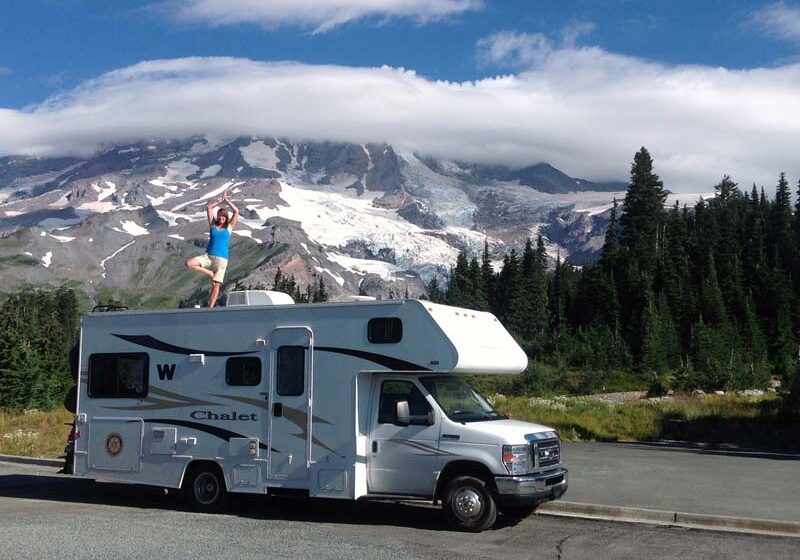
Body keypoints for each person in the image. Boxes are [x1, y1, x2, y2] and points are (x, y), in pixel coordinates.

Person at [185, 190, 239, 307]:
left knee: (216, 285)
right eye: (219, 216)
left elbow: (236, 211)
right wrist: (220, 200)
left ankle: (210, 307)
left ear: (226, 218)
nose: (221, 218)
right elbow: (209, 208)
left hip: (221, 259)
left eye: (223, 217)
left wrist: (227, 201)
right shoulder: (213, 226)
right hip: (208, 256)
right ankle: (208, 272)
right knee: (189, 264)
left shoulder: (229, 227)